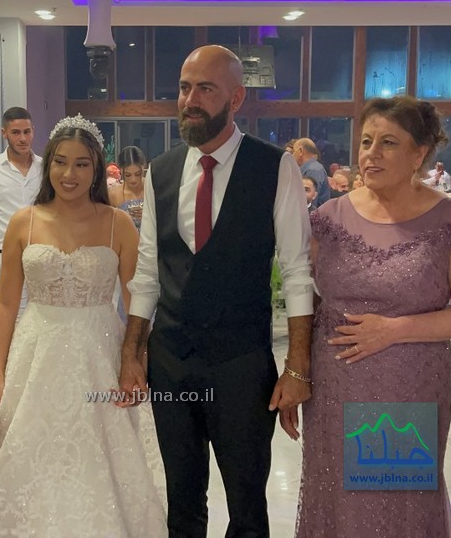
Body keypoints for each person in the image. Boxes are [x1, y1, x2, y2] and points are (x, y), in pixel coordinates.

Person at [120, 45, 314, 537]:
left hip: (241, 363)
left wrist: (297, 365)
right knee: (183, 502)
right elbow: (147, 271)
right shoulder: (162, 171)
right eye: (185, 88)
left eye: (205, 89)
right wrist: (131, 352)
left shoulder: (275, 167)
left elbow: (297, 271)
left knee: (247, 506)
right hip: (171, 360)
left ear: (236, 98)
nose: (191, 100)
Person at [296, 96, 451, 537]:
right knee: (337, 501)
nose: (371, 153)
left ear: (419, 154)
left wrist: (394, 330)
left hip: (407, 388)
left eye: (388, 142)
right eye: (366, 141)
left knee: (395, 504)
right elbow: (305, 300)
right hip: (334, 386)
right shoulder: (328, 218)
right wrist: (297, 372)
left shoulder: (448, 218)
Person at [0, 117, 167, 537]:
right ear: (48, 164)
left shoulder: (118, 223)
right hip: (35, 353)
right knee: (32, 452)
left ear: (96, 168)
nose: (70, 174)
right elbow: (6, 302)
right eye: (61, 162)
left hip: (99, 351)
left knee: (100, 452)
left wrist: (137, 360)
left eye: (82, 164)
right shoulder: (24, 222)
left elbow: (136, 301)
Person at [0, 107, 41, 315]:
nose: (22, 138)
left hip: (42, 252)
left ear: (33, 131)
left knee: (44, 315)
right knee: (13, 318)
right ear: (4, 133)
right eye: (15, 132)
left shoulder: (46, 167)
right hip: (5, 255)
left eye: (27, 132)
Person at [109, 145, 148, 230]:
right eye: (127, 175)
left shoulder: (153, 189)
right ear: (120, 170)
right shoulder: (113, 194)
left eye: (138, 174)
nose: (133, 180)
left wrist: (149, 217)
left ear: (144, 167)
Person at [295, 137, 331, 207]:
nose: (292, 155)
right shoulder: (311, 168)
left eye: (293, 151)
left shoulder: (313, 170)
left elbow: (311, 203)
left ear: (300, 151)